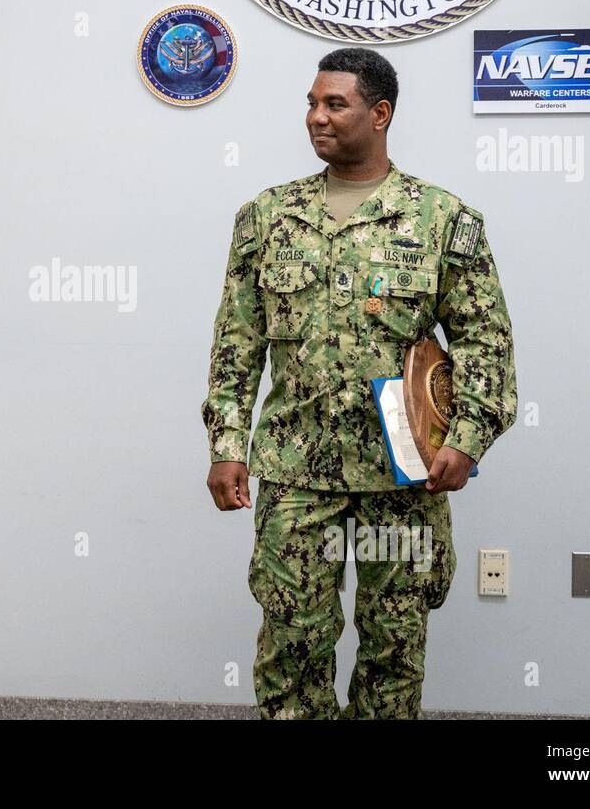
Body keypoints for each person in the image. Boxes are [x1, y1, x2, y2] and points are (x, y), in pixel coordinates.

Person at [201, 47, 517, 719]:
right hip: (296, 474)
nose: (316, 117)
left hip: (403, 479)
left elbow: (487, 339)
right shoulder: (266, 218)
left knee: (392, 652)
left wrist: (467, 439)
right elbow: (237, 342)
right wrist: (227, 442)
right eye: (311, 103)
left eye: (333, 104)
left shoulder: (442, 220)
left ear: (380, 114)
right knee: (293, 644)